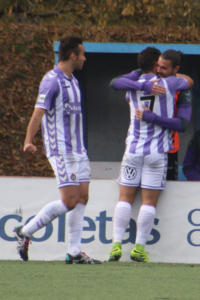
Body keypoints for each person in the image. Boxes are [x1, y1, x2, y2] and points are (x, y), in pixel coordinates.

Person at [13, 36, 101, 264]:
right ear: (73, 55)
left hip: (79, 149)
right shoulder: (51, 81)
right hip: (62, 150)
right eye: (82, 54)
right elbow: (38, 112)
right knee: (70, 200)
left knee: (82, 198)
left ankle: (74, 252)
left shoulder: (73, 80)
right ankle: (25, 231)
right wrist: (28, 140)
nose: (84, 58)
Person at [108, 47, 194, 262]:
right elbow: (189, 82)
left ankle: (116, 246)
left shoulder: (131, 85)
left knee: (125, 199)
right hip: (157, 153)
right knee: (148, 203)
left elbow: (116, 82)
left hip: (133, 150)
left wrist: (141, 79)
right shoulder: (171, 84)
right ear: (157, 64)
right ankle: (139, 249)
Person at [156, 50, 192, 180]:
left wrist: (152, 118)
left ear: (175, 69)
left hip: (168, 147)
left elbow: (183, 125)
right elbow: (115, 82)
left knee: (167, 190)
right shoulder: (148, 80)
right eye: (157, 66)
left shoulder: (182, 87)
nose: (158, 70)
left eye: (164, 68)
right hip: (143, 146)